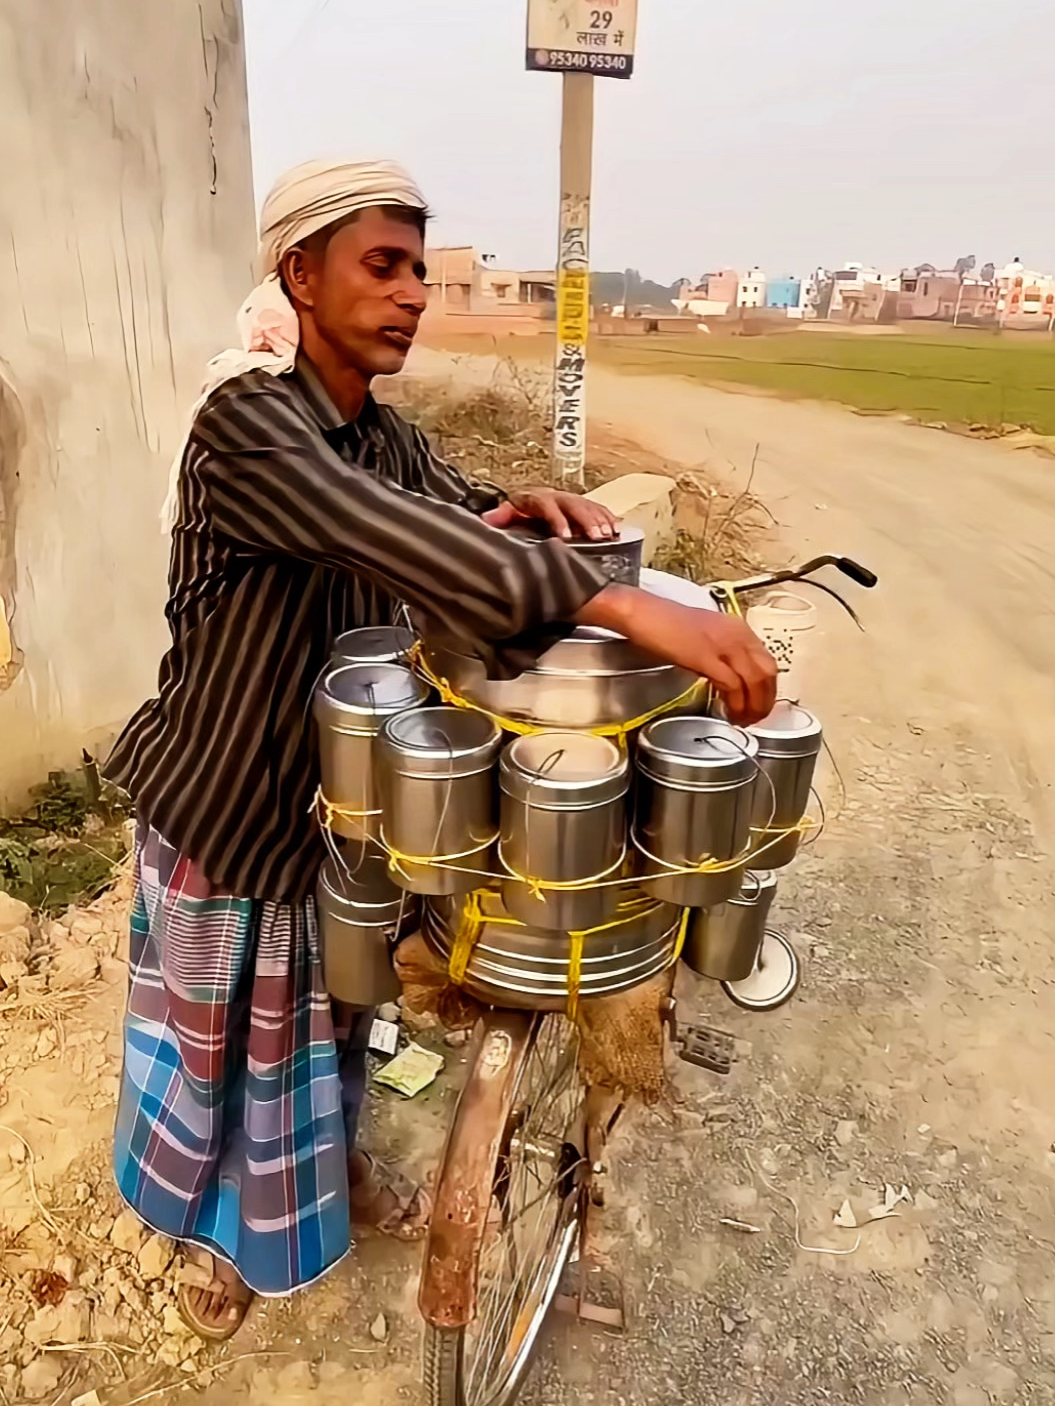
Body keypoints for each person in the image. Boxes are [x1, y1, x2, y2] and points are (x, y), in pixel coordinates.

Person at [106, 158, 776, 1340]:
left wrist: (520, 505)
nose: (413, 292)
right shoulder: (248, 423)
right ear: (299, 274)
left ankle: (335, 1177)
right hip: (229, 803)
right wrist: (627, 605)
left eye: (419, 268)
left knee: (329, 1029)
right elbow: (395, 539)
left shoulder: (374, 430)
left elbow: (444, 509)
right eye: (383, 265)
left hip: (336, 803)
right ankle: (215, 1240)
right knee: (222, 1058)